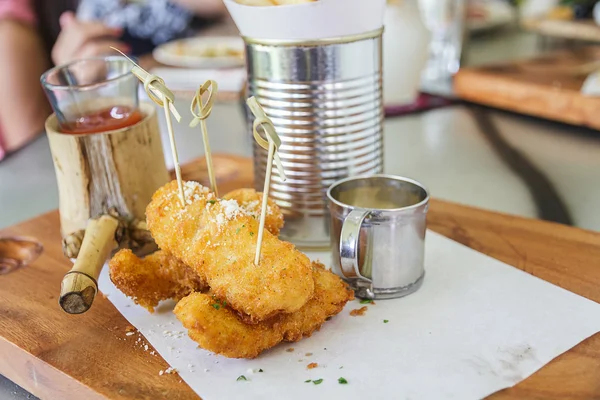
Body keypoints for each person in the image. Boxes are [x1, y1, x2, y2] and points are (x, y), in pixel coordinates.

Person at [0, 0, 226, 161]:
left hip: (213, 123)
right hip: (121, 155)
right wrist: (71, 89)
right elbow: (31, 165)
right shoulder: (14, 26)